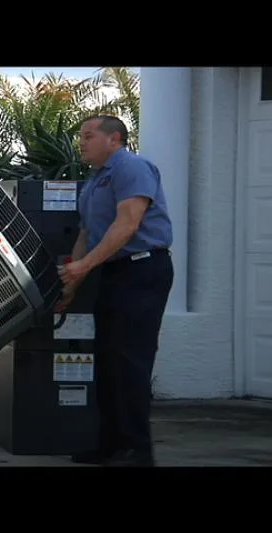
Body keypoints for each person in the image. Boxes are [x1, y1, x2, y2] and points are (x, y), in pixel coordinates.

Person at [55, 115, 174, 467]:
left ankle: (138, 450)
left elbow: (128, 224)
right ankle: (110, 445)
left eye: (89, 135)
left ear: (114, 139)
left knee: (130, 361)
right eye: (81, 136)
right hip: (113, 273)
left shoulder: (132, 168)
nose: (82, 142)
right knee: (107, 361)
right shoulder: (94, 182)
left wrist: (85, 266)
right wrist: (72, 286)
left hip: (142, 270)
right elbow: (86, 236)